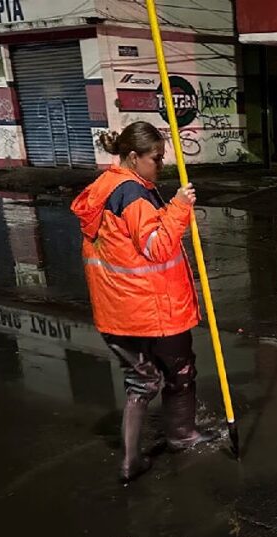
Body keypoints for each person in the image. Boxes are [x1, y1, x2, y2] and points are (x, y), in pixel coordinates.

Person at [71, 121, 216, 483]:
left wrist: (168, 207)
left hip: (117, 312)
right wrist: (180, 207)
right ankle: (182, 435)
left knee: (140, 384)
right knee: (180, 372)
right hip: (153, 310)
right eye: (156, 158)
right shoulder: (133, 195)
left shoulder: (105, 187)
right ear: (133, 157)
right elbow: (156, 247)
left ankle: (130, 461)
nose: (161, 164)